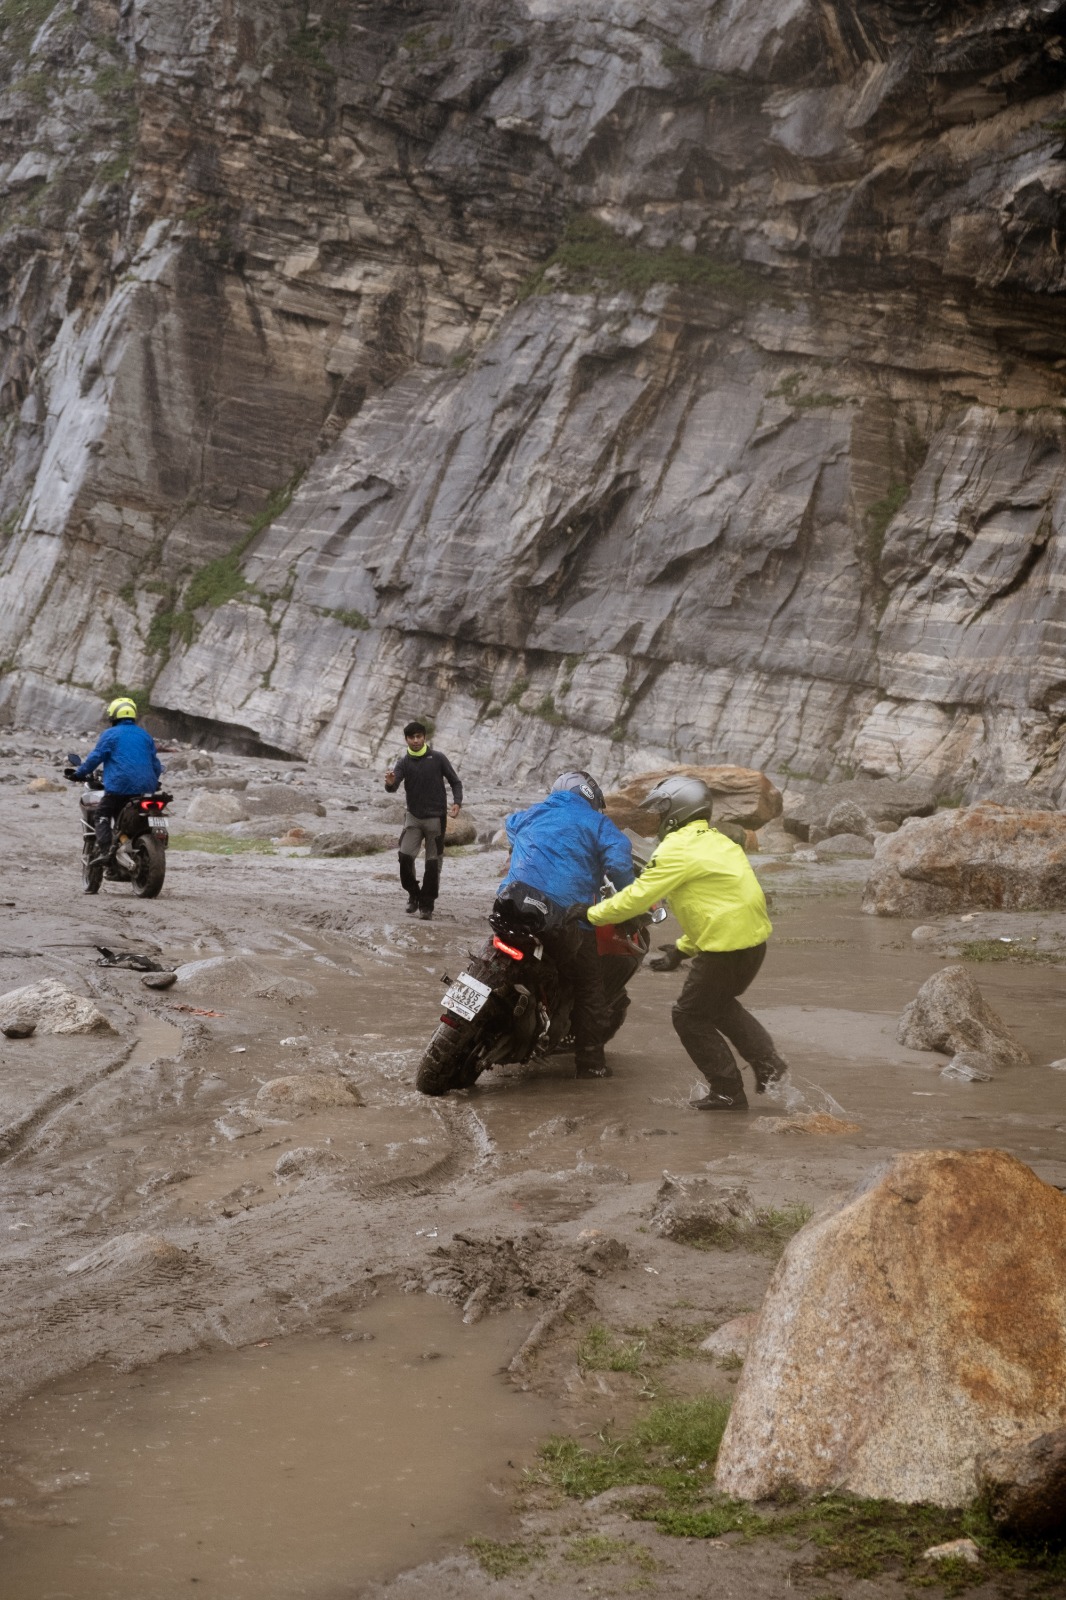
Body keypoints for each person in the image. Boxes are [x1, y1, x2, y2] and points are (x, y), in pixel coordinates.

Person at [580, 775, 788, 1110]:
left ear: (677, 811)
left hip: (725, 948)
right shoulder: (718, 841)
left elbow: (638, 897)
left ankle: (727, 1092)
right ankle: (768, 1063)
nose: (659, 819)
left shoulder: (677, 849)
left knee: (688, 1016)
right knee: (718, 1005)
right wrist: (681, 949)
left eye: (662, 812)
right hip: (751, 944)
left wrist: (589, 914)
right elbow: (716, 907)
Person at [501, 771, 634, 1079]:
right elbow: (619, 864)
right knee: (590, 987)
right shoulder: (598, 823)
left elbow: (511, 827)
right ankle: (591, 1064)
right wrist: (630, 897)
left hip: (511, 904)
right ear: (591, 797)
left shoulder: (532, 813)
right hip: (564, 917)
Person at [384, 721, 462, 921]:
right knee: (404, 857)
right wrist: (390, 784)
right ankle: (413, 894)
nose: (416, 740)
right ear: (406, 740)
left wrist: (457, 802)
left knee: (433, 864)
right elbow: (393, 786)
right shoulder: (403, 763)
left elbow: (455, 782)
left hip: (436, 819)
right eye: (412, 737)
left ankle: (427, 905)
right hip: (413, 817)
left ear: (424, 737)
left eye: (419, 736)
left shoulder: (438, 758)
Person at [71, 697, 164, 864]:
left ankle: (106, 851)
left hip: (119, 787)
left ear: (113, 715)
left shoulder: (110, 734)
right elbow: (156, 765)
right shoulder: (145, 736)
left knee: (102, 815)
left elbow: (96, 757)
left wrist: (79, 773)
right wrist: (152, 781)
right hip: (146, 788)